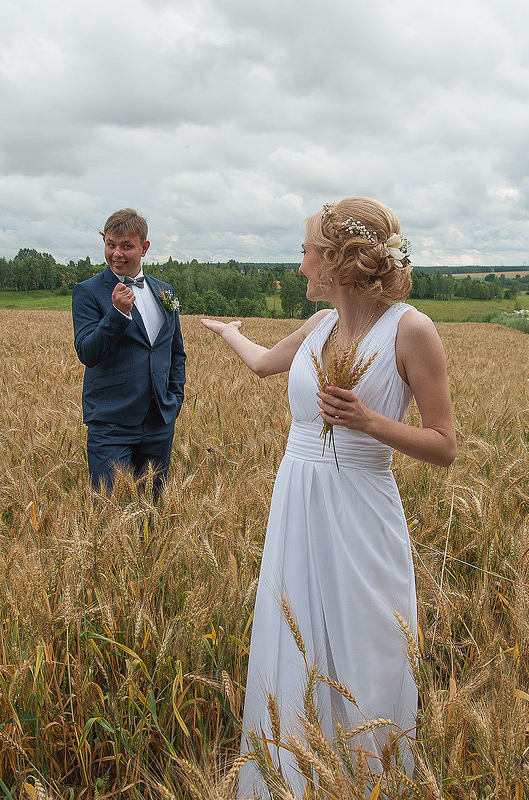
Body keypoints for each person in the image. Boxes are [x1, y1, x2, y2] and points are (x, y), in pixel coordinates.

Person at [201, 197, 456, 797]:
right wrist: (230, 333)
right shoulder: (319, 327)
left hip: (362, 512)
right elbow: (265, 364)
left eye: (306, 253)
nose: (300, 268)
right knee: (295, 644)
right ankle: (291, 779)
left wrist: (370, 421)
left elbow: (445, 445)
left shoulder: (412, 329)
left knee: (368, 648)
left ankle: (366, 779)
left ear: (338, 260)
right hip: (297, 504)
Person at [72, 208, 185, 498]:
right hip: (111, 423)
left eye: (126, 246)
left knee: (153, 512)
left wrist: (174, 400)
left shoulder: (164, 292)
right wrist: (117, 314)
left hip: (159, 422)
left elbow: (175, 352)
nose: (116, 254)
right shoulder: (88, 292)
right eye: (111, 245)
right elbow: (87, 352)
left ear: (144, 248)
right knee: (109, 512)